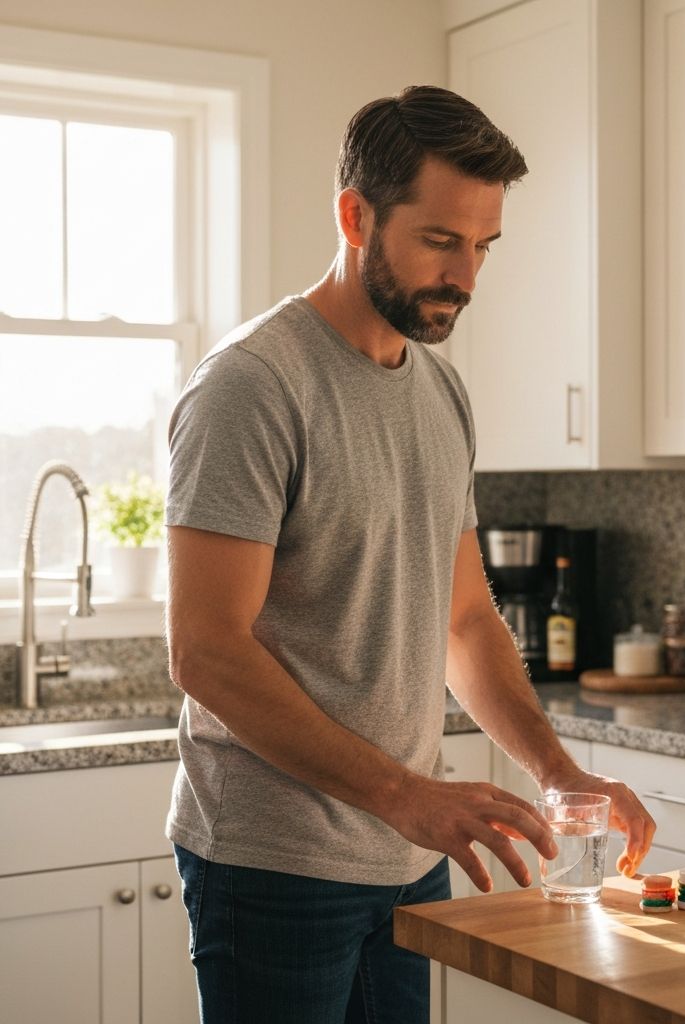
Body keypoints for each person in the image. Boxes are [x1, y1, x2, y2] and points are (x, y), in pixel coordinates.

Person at [164, 84, 655, 1024]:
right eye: (440, 240)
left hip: (408, 855)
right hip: (275, 863)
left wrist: (556, 771)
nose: (465, 275)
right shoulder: (253, 388)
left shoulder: (441, 392)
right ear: (356, 216)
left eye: (482, 247)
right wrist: (410, 798)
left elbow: (465, 621)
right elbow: (206, 651)